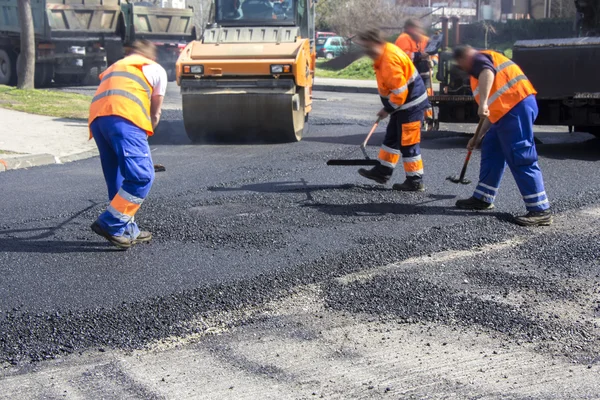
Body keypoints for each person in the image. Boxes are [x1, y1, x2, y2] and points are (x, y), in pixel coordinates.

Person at [453, 44, 552, 226]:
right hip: (505, 111)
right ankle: (483, 197)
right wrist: (478, 136)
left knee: (520, 154)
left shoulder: (479, 60)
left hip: (516, 106)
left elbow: (487, 73)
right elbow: (492, 109)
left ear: (463, 59)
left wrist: (482, 104)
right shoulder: (479, 69)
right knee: (491, 149)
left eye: (460, 63)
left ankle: (540, 209)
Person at [88, 39, 167, 249]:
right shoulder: (155, 68)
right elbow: (155, 113)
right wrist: (143, 142)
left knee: (118, 176)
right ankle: (110, 223)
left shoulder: (116, 66)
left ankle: (127, 229)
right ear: (152, 56)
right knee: (142, 176)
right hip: (125, 118)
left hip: (98, 120)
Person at [355, 28, 429, 191]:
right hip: (403, 106)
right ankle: (382, 171)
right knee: (392, 137)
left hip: (410, 105)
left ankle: (415, 180)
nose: (366, 52)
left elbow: (400, 93)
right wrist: (390, 107)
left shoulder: (389, 59)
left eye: (367, 47)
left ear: (375, 43)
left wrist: (387, 109)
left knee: (408, 143)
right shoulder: (384, 52)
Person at [395, 18, 434, 126]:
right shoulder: (403, 38)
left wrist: (433, 62)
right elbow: (403, 55)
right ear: (410, 29)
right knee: (414, 96)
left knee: (427, 93)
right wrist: (419, 56)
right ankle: (417, 119)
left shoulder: (425, 39)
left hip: (424, 71)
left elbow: (433, 52)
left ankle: (428, 117)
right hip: (410, 73)